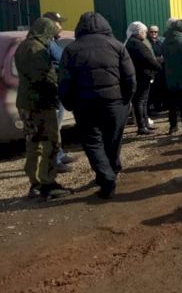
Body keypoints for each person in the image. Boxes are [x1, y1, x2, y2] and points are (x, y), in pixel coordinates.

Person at [59, 12, 136, 199]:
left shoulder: (71, 49)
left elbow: (64, 81)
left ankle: (106, 175)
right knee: (113, 138)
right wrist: (126, 99)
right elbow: (129, 77)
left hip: (84, 103)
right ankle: (111, 171)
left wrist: (69, 103)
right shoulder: (116, 46)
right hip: (114, 102)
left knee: (92, 142)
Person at [15, 18, 71, 200]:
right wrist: (58, 89)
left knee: (33, 143)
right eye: (52, 33)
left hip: (26, 102)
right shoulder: (36, 49)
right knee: (49, 142)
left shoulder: (24, 46)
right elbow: (44, 77)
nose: (53, 37)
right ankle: (47, 183)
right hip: (40, 104)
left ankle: (36, 183)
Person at [42, 11, 77, 173]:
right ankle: (53, 160)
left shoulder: (53, 41)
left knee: (57, 126)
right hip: (51, 91)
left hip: (58, 89)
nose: (61, 26)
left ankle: (59, 154)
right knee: (52, 127)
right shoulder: (45, 43)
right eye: (58, 23)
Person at [125, 22, 162, 135]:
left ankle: (145, 124)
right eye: (145, 32)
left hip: (140, 75)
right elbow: (148, 59)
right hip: (141, 76)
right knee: (140, 101)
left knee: (143, 101)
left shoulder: (132, 43)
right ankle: (142, 126)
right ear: (139, 32)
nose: (146, 34)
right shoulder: (136, 44)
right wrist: (159, 67)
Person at [147, 24, 167, 114]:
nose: (154, 33)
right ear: (148, 32)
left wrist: (163, 58)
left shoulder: (160, 42)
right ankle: (153, 107)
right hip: (152, 69)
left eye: (156, 32)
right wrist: (155, 59)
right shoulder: (147, 43)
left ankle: (159, 106)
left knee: (161, 87)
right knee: (153, 89)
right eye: (152, 32)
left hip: (161, 69)